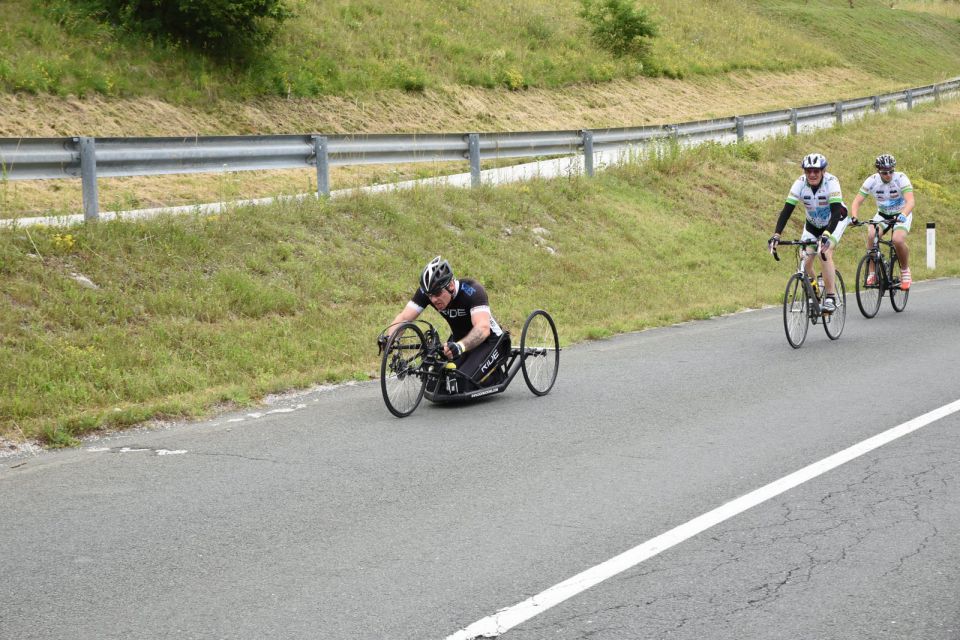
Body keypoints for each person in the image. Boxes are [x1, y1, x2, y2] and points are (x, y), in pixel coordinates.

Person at [381, 256, 510, 391]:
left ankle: (495, 375)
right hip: (459, 341)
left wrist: (460, 346)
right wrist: (390, 338)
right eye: (429, 295)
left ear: (451, 285)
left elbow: (483, 329)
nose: (433, 299)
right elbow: (404, 317)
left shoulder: (473, 291)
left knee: (462, 384)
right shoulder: (429, 292)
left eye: (437, 293)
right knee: (434, 384)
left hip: (490, 341)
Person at [768, 153, 851, 313]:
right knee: (804, 260)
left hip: (835, 221)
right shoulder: (800, 183)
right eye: (808, 171)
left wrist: (827, 234)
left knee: (824, 252)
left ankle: (831, 297)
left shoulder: (831, 182)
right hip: (812, 224)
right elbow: (787, 210)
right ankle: (815, 290)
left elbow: (835, 212)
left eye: (816, 171)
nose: (812, 174)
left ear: (823, 171)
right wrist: (777, 234)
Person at [849, 153, 915, 290]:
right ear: (878, 171)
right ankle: (872, 272)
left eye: (891, 171)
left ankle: (905, 270)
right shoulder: (872, 181)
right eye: (885, 172)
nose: (888, 175)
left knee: (897, 240)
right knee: (872, 235)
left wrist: (903, 214)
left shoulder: (901, 178)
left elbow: (911, 201)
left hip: (902, 213)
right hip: (883, 215)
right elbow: (857, 201)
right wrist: (854, 217)